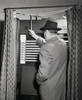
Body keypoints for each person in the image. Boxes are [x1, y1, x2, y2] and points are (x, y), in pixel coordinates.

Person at [28, 20, 67, 100]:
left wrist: (38, 81)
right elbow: (47, 44)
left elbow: (43, 75)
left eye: (44, 32)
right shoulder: (63, 43)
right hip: (60, 86)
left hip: (49, 89)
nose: (43, 34)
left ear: (47, 31)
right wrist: (35, 36)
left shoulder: (46, 48)